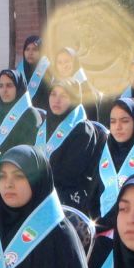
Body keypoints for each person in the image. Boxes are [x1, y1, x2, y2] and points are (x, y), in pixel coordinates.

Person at [37, 80, 104, 216]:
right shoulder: (44, 125)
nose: (57, 100)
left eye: (64, 96)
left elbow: (68, 175)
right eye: (53, 94)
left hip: (67, 195)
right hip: (42, 188)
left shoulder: (83, 130)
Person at [94, 97, 134, 224]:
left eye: (124, 121)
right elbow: (94, 194)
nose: (117, 127)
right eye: (113, 122)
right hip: (101, 226)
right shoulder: (107, 149)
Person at [0, 69, 40, 165]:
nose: (4, 90)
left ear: (18, 87)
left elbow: (27, 152)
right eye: (1, 86)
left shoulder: (30, 115)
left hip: (17, 169)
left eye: (9, 85)